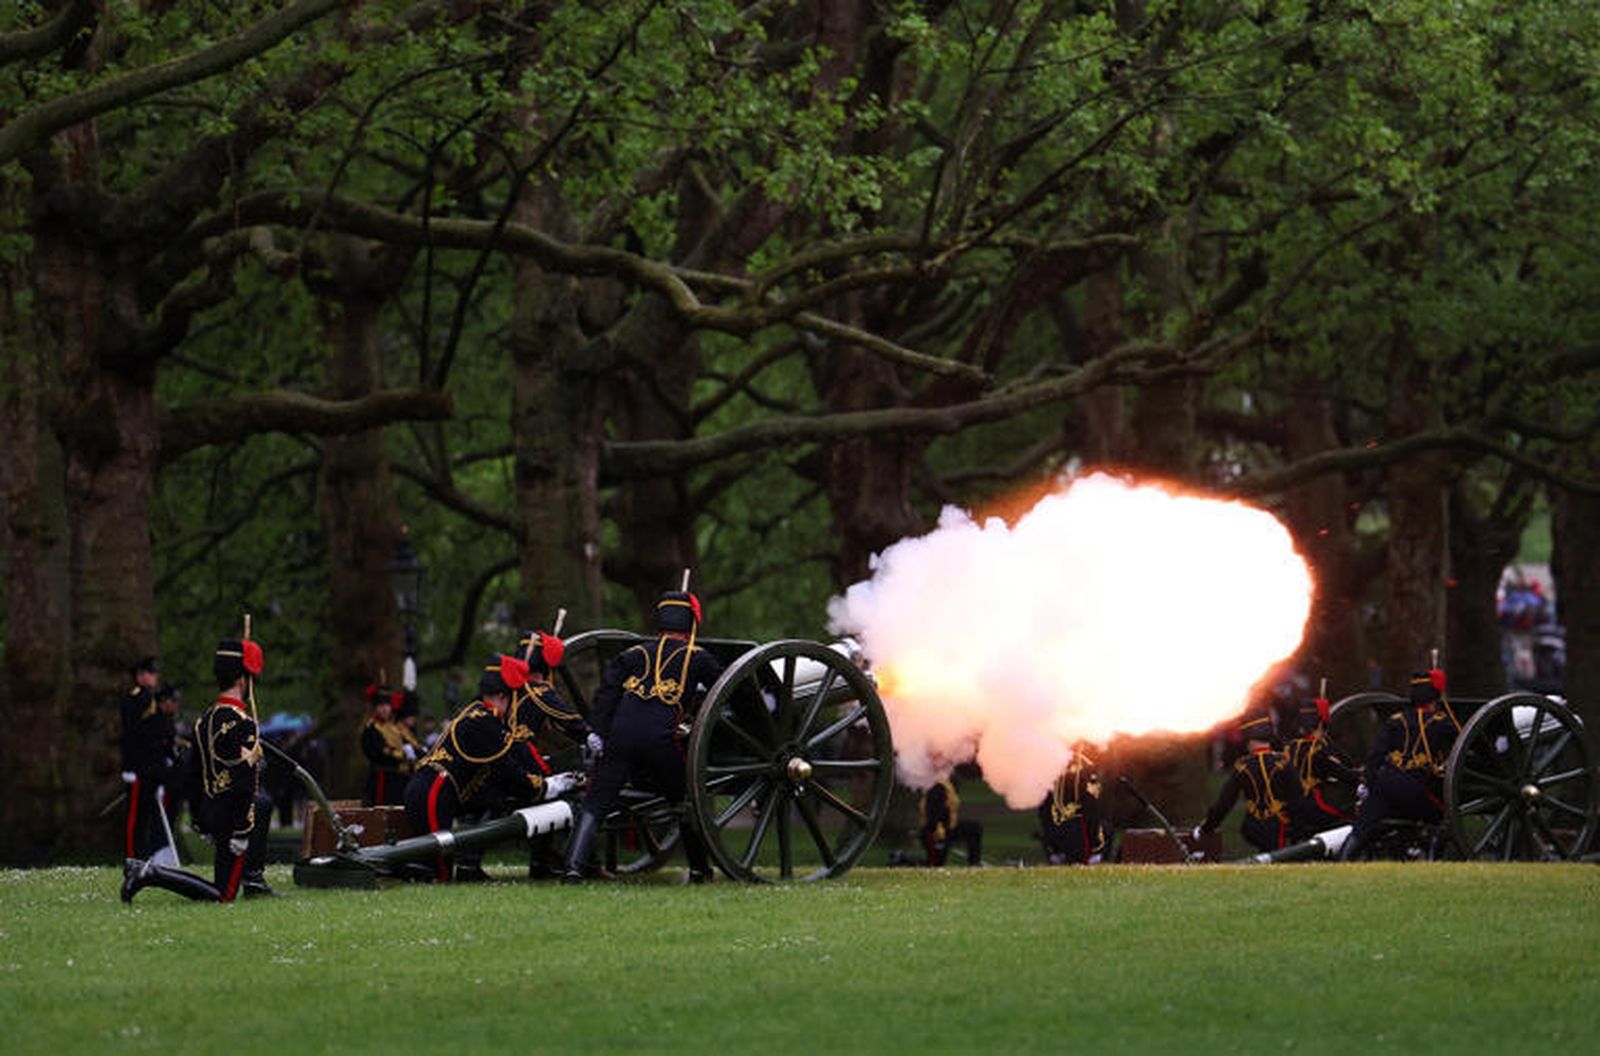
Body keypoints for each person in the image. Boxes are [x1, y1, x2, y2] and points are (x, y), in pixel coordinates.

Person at [563, 589, 724, 884]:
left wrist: (596, 732)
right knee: (684, 801)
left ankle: (573, 868)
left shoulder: (632, 654)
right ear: (690, 624)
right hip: (661, 742)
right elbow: (723, 693)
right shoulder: (698, 658)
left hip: (620, 737)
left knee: (596, 801)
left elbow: (606, 696)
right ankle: (700, 869)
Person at [122, 635, 276, 902]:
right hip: (233, 819)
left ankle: (149, 872)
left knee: (220, 887)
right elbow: (245, 782)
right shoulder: (243, 723)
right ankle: (151, 873)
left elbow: (193, 775)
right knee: (223, 895)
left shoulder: (204, 719)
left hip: (212, 812)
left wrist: (198, 818)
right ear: (242, 681)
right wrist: (242, 831)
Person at [403, 654, 572, 882]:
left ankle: (467, 864)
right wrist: (547, 786)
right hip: (434, 791)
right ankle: (398, 871)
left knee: (436, 863)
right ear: (502, 696)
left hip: (433, 790)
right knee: (439, 873)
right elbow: (507, 768)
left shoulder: (477, 713)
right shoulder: (483, 721)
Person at [1339, 669, 1461, 861]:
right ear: (1435, 696)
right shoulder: (1442, 724)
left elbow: (1374, 758)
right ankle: (1432, 856)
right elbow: (1462, 748)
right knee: (1442, 817)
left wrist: (1370, 785)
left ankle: (1343, 858)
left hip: (1386, 783)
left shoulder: (1395, 721)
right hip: (1415, 789)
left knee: (1363, 824)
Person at [1195, 710, 1299, 854]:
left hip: (1253, 828)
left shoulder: (1242, 766)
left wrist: (1206, 827)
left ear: (1249, 741)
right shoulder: (1284, 761)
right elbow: (1298, 798)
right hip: (1281, 827)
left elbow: (1224, 803)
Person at [119, 656, 179, 861]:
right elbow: (130, 735)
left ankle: (146, 854)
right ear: (140, 676)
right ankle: (132, 856)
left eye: (155, 673)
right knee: (135, 816)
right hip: (138, 768)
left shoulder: (153, 698)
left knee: (147, 815)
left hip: (152, 767)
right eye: (150, 673)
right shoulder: (134, 699)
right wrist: (128, 767)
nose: (154, 677)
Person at [1283, 693, 1361, 842]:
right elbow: (1345, 774)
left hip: (1291, 809)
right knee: (1351, 817)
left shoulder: (1290, 746)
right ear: (1321, 724)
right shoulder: (1318, 750)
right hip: (1313, 807)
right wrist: (1363, 774)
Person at [1037, 743, 1108, 865]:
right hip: (1065, 830)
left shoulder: (1084, 767)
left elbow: (1091, 809)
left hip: (1076, 831)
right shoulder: (1085, 766)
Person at [361, 684, 420, 806]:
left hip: (400, 778)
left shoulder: (394, 727)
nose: (385, 709)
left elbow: (407, 744)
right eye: (381, 706)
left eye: (387, 706)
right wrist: (403, 754)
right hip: (382, 779)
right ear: (375, 708)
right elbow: (380, 752)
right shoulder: (371, 728)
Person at [919, 774, 984, 867]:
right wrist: (939, 831)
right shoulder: (938, 787)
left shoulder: (947, 786)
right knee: (935, 864)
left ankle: (974, 863)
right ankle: (903, 859)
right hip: (935, 832)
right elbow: (933, 813)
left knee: (974, 828)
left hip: (948, 828)